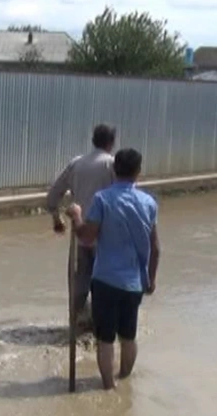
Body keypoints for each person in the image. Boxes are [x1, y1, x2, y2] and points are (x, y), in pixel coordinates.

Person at [65, 148, 160, 390]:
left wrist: (76, 216)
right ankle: (125, 379)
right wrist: (151, 279)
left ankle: (108, 386)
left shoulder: (103, 199)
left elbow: (86, 237)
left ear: (114, 169)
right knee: (128, 336)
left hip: (106, 280)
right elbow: (156, 247)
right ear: (138, 172)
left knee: (105, 339)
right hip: (134, 283)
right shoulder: (149, 203)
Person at [46, 124, 116, 328]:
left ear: (93, 140)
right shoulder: (112, 164)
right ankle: (101, 331)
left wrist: (56, 218)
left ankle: (76, 327)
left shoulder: (77, 163)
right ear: (111, 143)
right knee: (104, 285)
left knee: (79, 285)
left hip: (79, 233)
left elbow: (52, 196)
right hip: (105, 237)